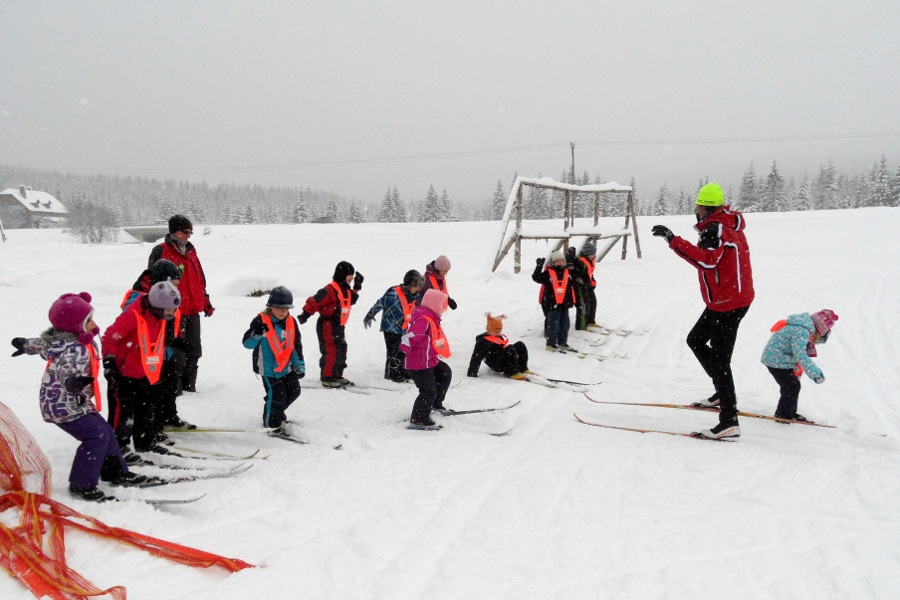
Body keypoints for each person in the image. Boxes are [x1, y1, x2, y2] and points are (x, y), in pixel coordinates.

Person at [10, 292, 158, 501]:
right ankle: (82, 484)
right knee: (95, 436)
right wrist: (73, 382)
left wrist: (26, 345)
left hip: (75, 401)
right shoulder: (73, 349)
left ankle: (115, 471)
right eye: (89, 321)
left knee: (106, 431)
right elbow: (65, 369)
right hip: (61, 404)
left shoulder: (71, 341)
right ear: (75, 326)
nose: (93, 324)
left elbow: (45, 343)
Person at [651, 182, 754, 440]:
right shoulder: (727, 224)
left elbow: (707, 261)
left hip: (727, 304)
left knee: (720, 360)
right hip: (729, 299)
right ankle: (722, 393)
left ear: (705, 208)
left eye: (697, 206)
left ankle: (729, 421)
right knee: (696, 340)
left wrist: (673, 240)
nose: (695, 210)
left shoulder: (715, 228)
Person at [102, 280, 182, 457]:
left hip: (145, 374)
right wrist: (109, 363)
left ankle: (145, 442)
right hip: (122, 375)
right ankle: (118, 449)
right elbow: (109, 337)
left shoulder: (158, 317)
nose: (172, 313)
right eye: (169, 310)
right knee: (122, 415)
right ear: (158, 306)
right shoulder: (132, 316)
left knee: (145, 411)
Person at [120, 258, 195, 438]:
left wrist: (175, 340)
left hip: (164, 352)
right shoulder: (141, 297)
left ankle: (169, 417)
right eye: (174, 284)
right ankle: (154, 427)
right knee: (154, 394)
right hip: (146, 357)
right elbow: (134, 326)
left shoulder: (166, 295)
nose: (176, 289)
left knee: (169, 386)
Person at [147, 214, 214, 393]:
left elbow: (200, 280)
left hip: (193, 310)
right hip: (173, 311)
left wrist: (205, 302)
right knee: (176, 352)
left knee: (194, 350)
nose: (189, 235)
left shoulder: (192, 252)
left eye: (190, 232)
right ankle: (174, 387)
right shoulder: (161, 251)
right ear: (174, 231)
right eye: (185, 231)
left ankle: (189, 385)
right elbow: (152, 281)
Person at [242, 286, 305, 436]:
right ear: (270, 306)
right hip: (268, 369)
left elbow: (295, 346)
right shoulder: (260, 320)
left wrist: (299, 365)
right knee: (277, 395)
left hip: (286, 367)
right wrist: (256, 333)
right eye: (278, 307)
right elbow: (247, 344)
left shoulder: (291, 322)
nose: (282, 311)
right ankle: (271, 423)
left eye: (286, 308)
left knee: (294, 391)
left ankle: (276, 412)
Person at [761, 309, 838, 422]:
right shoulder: (802, 331)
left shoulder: (801, 328)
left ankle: (789, 412)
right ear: (819, 329)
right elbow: (800, 355)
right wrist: (815, 372)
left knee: (792, 385)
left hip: (779, 359)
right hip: (776, 361)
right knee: (791, 386)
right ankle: (783, 415)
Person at [298, 261, 363, 388]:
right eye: (350, 275)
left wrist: (357, 286)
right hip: (327, 325)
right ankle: (327, 377)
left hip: (338, 325)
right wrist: (305, 314)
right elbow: (315, 301)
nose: (351, 278)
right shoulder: (330, 290)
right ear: (342, 274)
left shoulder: (345, 290)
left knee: (341, 349)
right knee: (331, 350)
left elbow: (351, 300)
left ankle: (337, 374)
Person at [400, 289, 453, 430]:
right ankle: (418, 418)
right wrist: (401, 352)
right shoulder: (423, 320)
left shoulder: (432, 319)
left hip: (429, 360)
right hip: (418, 364)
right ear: (434, 305)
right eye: (441, 305)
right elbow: (410, 336)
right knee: (428, 390)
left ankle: (434, 404)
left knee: (445, 372)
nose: (443, 309)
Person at [363, 269, 424, 382]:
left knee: (403, 349)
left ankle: (401, 370)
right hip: (390, 327)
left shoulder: (413, 296)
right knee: (393, 350)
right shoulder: (393, 292)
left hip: (403, 328)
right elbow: (380, 303)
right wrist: (370, 315)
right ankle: (391, 373)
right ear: (409, 284)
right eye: (415, 286)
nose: (417, 289)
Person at [532, 250, 576, 352]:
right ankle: (551, 344)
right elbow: (536, 278)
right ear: (553, 262)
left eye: (562, 261)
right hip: (553, 303)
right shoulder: (548, 273)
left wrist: (572, 259)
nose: (559, 263)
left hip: (564, 303)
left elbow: (579, 272)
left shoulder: (568, 272)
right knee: (553, 324)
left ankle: (562, 342)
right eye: (557, 261)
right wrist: (539, 267)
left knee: (565, 324)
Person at [467, 314, 530, 379]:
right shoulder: (483, 342)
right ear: (489, 329)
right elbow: (476, 357)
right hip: (495, 363)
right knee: (510, 348)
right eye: (495, 332)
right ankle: (511, 372)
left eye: (499, 331)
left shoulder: (499, 337)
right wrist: (472, 372)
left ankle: (522, 368)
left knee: (520, 345)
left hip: (501, 359)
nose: (498, 333)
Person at [569, 242, 599, 331]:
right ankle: (581, 326)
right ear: (587, 254)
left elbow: (589, 274)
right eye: (592, 254)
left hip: (588, 286)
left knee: (593, 302)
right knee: (583, 306)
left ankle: (590, 321)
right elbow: (577, 273)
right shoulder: (581, 261)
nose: (594, 255)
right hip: (579, 287)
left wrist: (592, 282)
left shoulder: (590, 260)